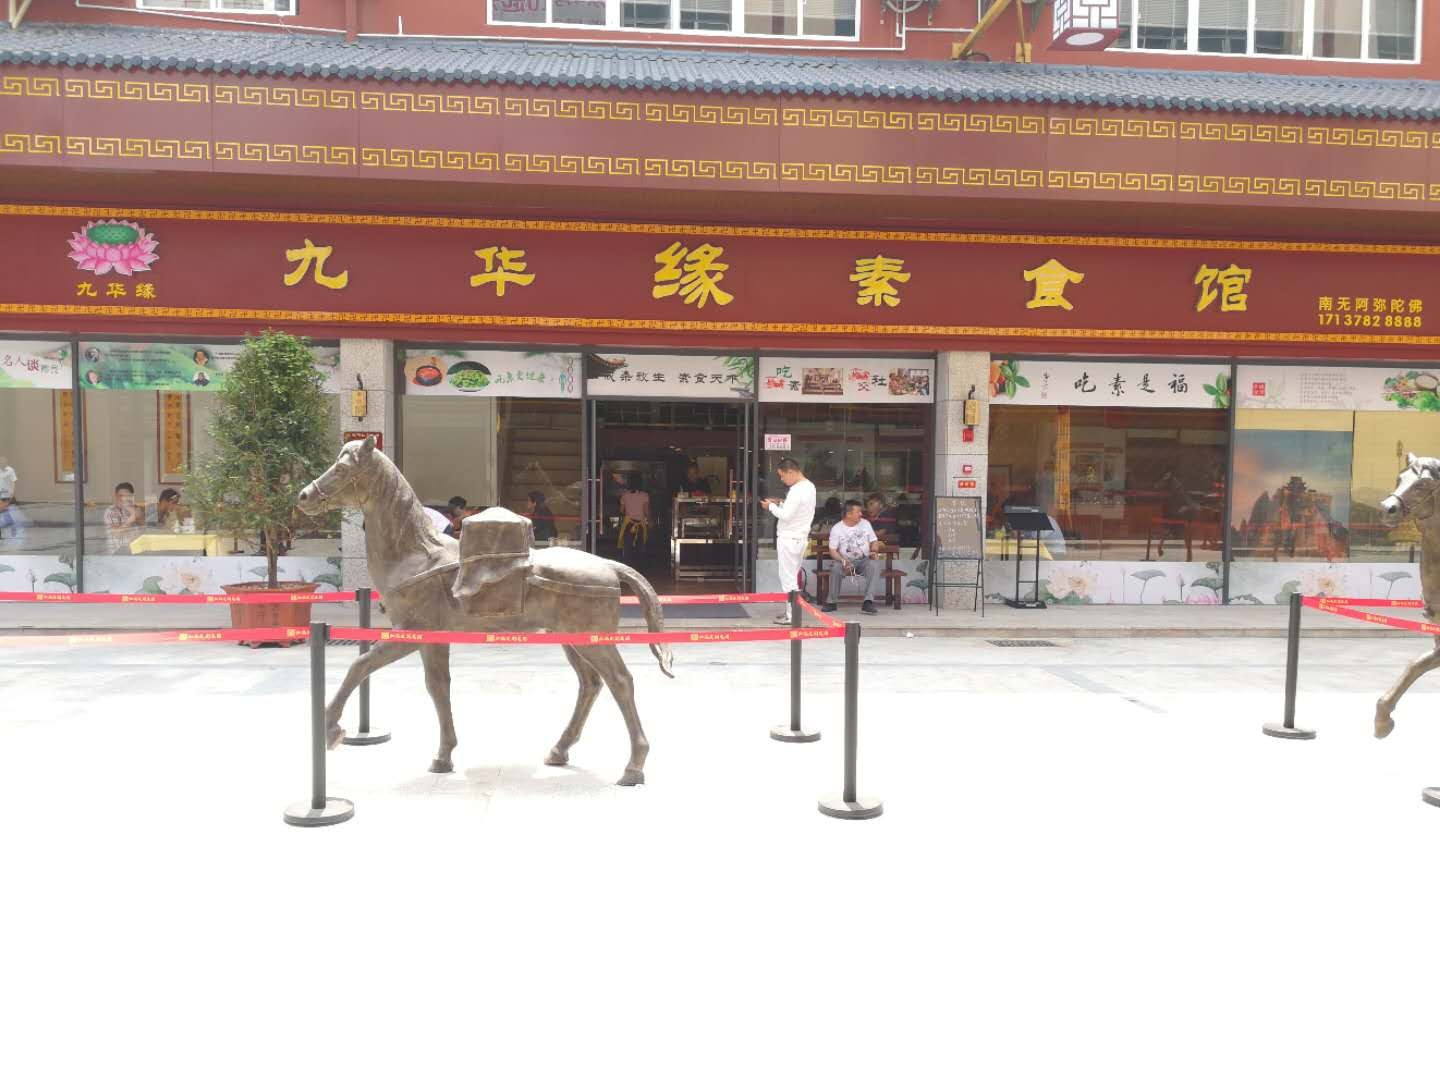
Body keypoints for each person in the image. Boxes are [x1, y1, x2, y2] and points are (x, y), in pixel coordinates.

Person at [759, 457, 816, 625]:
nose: (782, 479)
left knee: (788, 579)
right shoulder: (809, 486)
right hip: (800, 538)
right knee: (792, 576)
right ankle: (791, 612)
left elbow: (786, 515)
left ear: (790, 472)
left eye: (782, 475)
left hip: (789, 539)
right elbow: (796, 509)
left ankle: (792, 616)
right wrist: (780, 502)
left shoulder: (797, 490)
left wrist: (770, 506)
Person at [823, 500, 883, 616]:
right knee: (836, 568)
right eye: (858, 512)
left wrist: (874, 551)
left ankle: (868, 602)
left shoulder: (865, 524)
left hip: (864, 560)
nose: (861, 514)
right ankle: (831, 602)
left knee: (875, 566)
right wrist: (843, 560)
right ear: (849, 514)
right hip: (845, 561)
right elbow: (833, 551)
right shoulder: (837, 528)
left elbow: (874, 541)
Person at [618, 475, 651, 564]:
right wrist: (650, 521)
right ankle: (639, 566)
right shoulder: (645, 495)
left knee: (627, 547)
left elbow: (621, 511)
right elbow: (646, 511)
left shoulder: (625, 495)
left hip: (628, 524)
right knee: (640, 546)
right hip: (640, 524)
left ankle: (627, 565)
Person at [104, 482, 144, 554]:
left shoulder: (136, 509)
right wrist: (132, 518)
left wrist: (132, 510)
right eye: (120, 496)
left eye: (127, 496)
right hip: (116, 553)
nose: (122, 499)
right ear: (115, 496)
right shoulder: (110, 511)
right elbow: (116, 534)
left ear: (132, 497)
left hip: (135, 553)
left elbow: (145, 527)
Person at [0, 456, 16, 539]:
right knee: (4, 513)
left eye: (2, 461)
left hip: (6, 495)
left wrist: (12, 492)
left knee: (5, 513)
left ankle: (12, 525)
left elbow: (13, 482)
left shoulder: (10, 470)